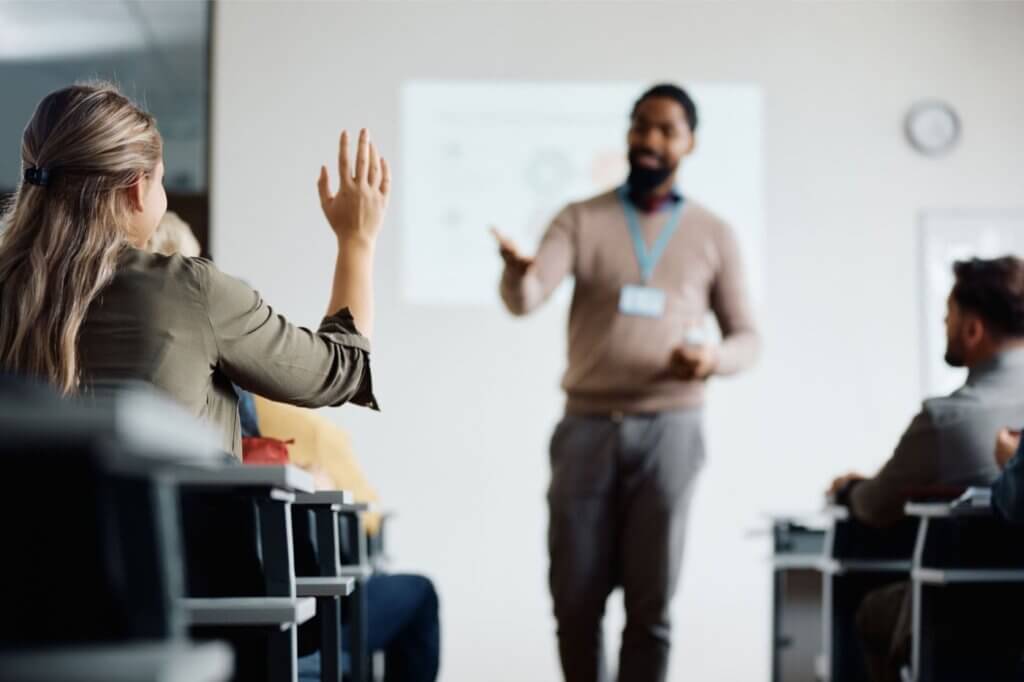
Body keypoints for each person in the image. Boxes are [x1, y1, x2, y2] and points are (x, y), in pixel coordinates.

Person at [493, 83, 759, 682]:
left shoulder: (714, 233)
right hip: (586, 428)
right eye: (641, 126)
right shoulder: (580, 218)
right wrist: (516, 275)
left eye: (666, 130)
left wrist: (713, 359)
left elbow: (749, 339)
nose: (649, 140)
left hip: (672, 429)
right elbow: (529, 296)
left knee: (651, 605)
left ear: (689, 143)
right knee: (575, 601)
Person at [0, 82, 389, 456]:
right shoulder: (189, 290)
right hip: (179, 526)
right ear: (137, 189)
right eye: (161, 180)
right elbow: (339, 370)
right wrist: (356, 239)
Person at [830, 257, 1024, 682]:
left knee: (870, 611)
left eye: (948, 317)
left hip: (964, 619)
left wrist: (849, 490)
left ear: (972, 329)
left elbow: (875, 506)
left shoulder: (945, 420)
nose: (944, 325)